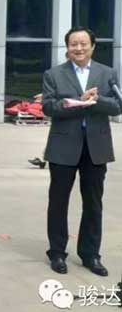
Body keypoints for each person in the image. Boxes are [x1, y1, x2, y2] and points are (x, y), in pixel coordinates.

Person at [42, 27, 121, 276]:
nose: (79, 48)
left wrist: (97, 100)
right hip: (63, 147)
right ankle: (57, 252)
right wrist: (79, 101)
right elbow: (48, 107)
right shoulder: (54, 74)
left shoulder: (107, 73)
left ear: (93, 46)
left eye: (83, 43)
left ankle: (90, 254)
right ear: (67, 47)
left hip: (96, 148)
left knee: (93, 203)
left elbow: (117, 106)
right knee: (58, 202)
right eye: (74, 44)